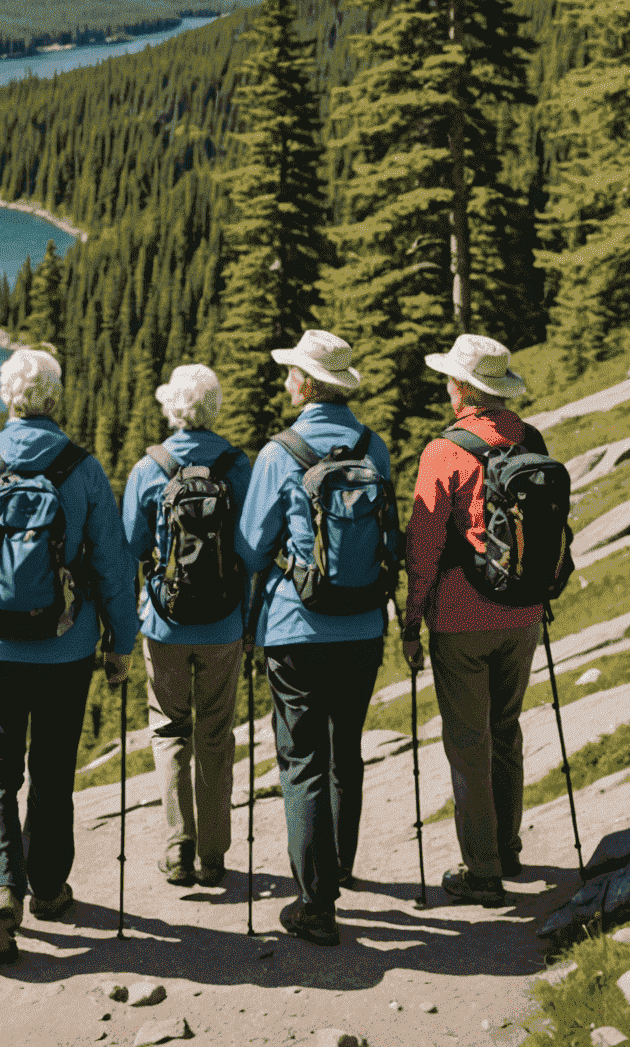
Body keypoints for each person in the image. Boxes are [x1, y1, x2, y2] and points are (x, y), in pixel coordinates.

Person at [0, 347, 139, 960]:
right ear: (54, 398)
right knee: (52, 770)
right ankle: (48, 889)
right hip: (67, 646)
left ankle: (0, 890)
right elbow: (113, 564)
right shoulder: (82, 469)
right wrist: (119, 644)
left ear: (9, 398)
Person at [237, 330, 394, 947]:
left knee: (302, 759)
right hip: (362, 622)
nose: (285, 381)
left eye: (292, 373)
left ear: (306, 383)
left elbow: (251, 547)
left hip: (295, 627)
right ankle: (341, 865)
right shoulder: (371, 446)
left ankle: (314, 901)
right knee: (344, 749)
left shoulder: (281, 452)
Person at [401, 334, 544, 907]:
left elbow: (424, 544)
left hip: (461, 618)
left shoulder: (445, 451)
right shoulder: (531, 439)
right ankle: (507, 848)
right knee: (506, 728)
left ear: (461, 389)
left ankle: (480, 869)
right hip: (524, 612)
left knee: (468, 742)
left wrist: (413, 620)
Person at [122, 364, 252, 887]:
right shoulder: (237, 465)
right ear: (214, 408)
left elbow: (131, 544)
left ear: (173, 409)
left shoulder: (148, 468)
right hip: (223, 622)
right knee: (216, 733)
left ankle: (178, 846)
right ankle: (215, 855)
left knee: (170, 729)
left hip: (165, 621)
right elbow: (250, 545)